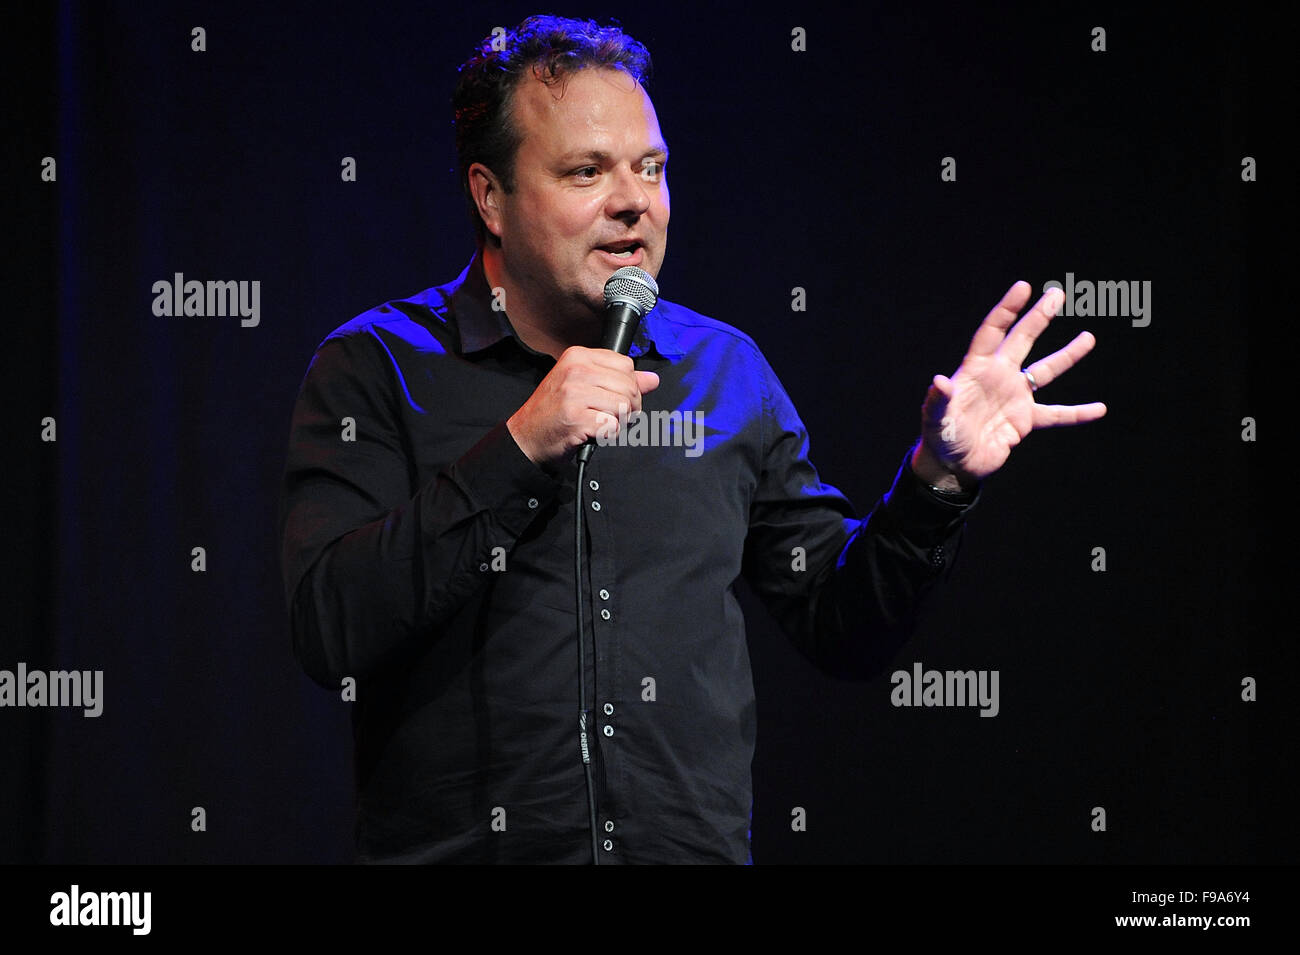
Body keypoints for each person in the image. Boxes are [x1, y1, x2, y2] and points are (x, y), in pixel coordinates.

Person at [277, 15, 1105, 864]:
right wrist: (521, 445)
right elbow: (331, 626)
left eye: (651, 167)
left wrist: (937, 477)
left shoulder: (724, 372)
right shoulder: (377, 368)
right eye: (586, 171)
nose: (634, 199)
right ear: (491, 197)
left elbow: (843, 624)